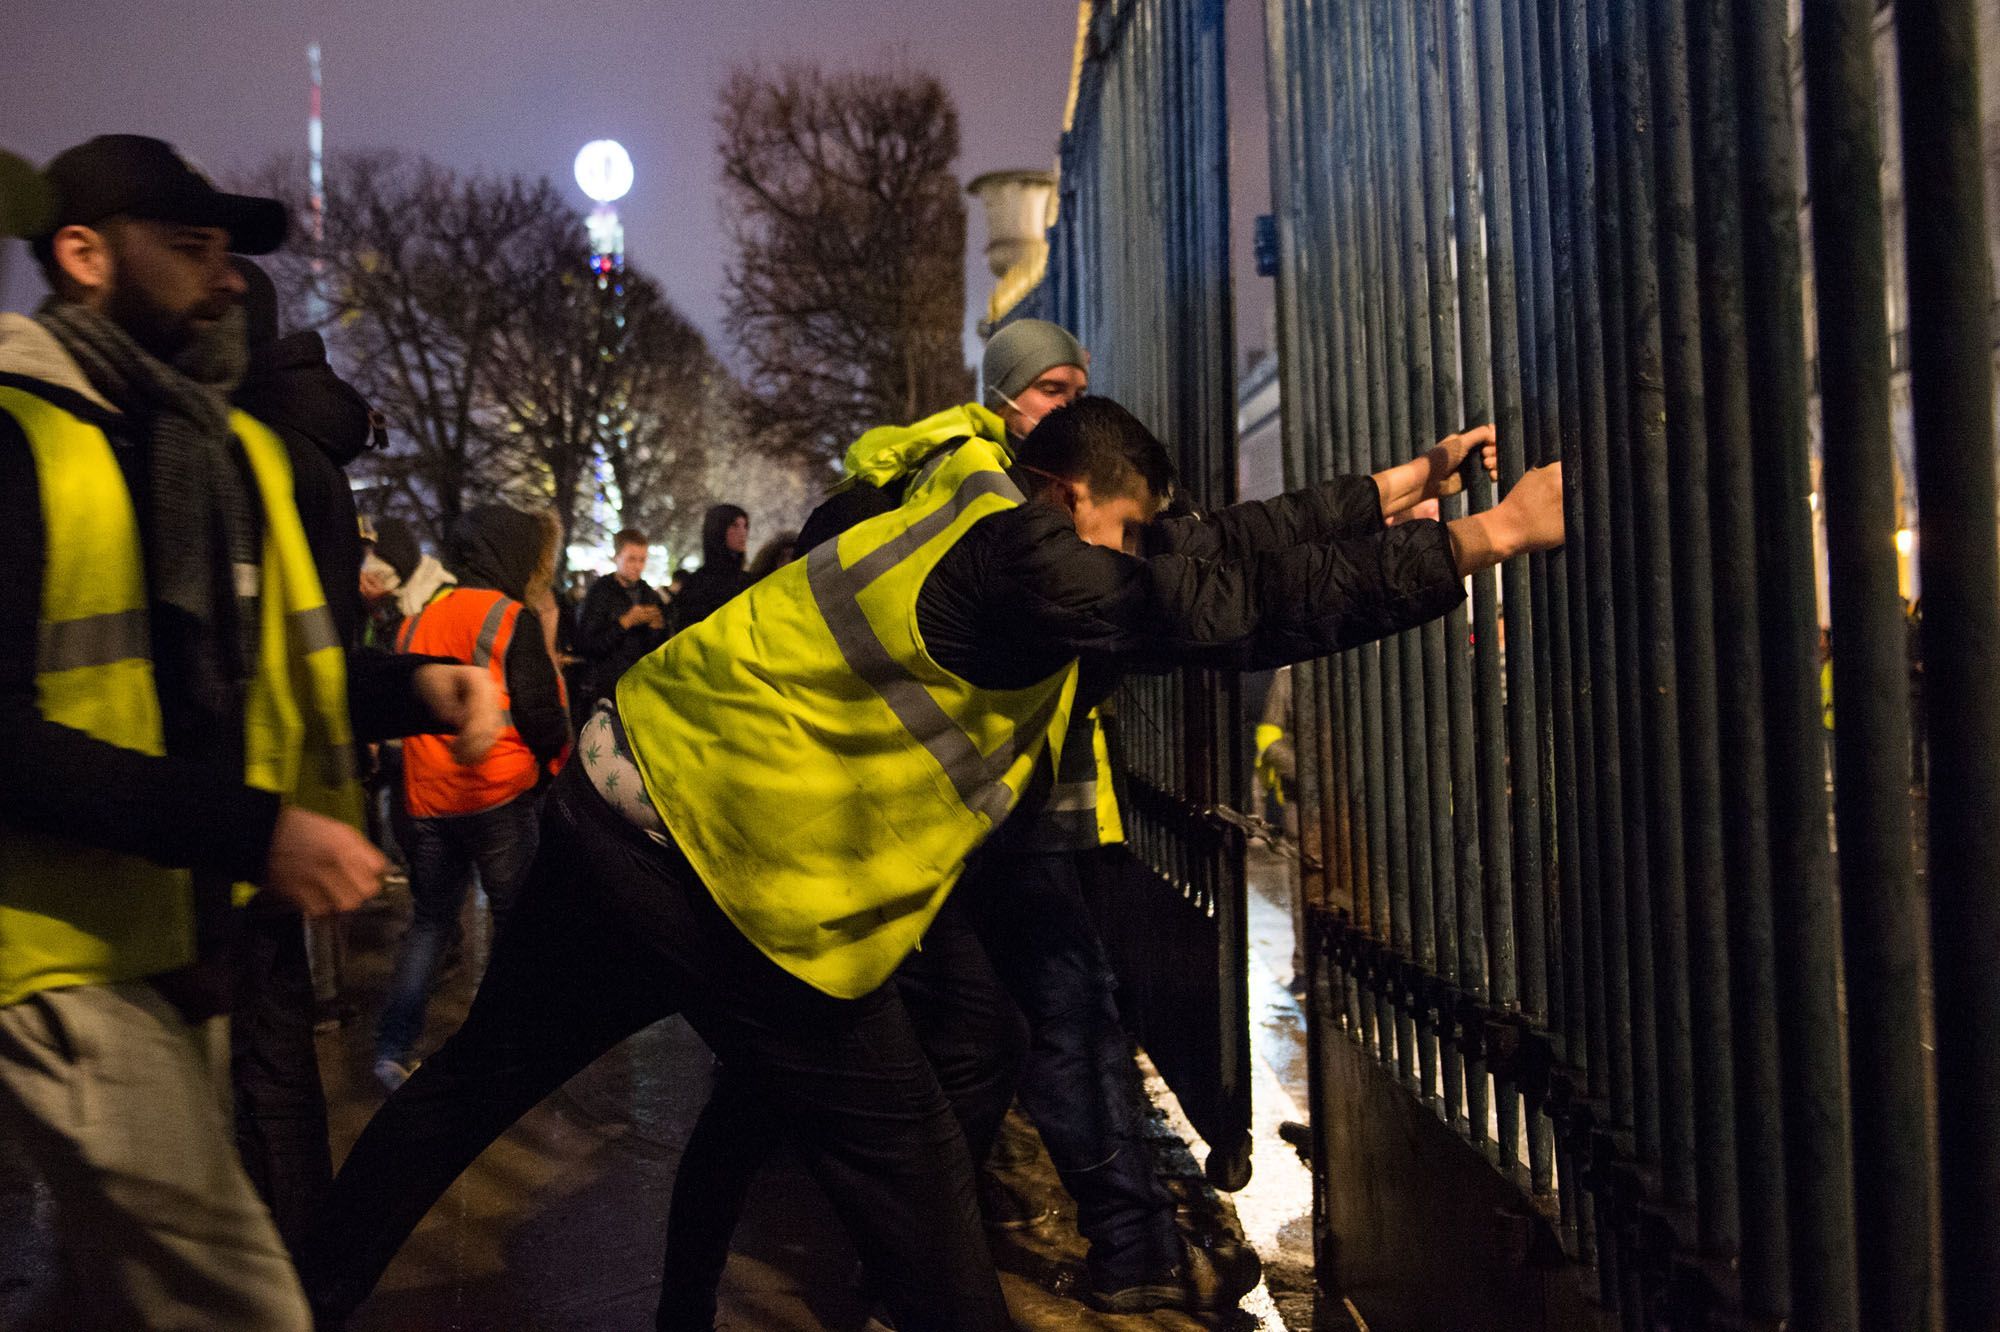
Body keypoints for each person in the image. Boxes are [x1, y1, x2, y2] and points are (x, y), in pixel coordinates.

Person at [299, 395, 1563, 1331]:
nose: (1128, 556)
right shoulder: (1028, 569)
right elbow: (1214, 609)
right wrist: (1484, 540)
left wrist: (1391, 490)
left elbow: (1201, 553)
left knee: (474, 1089)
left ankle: (306, 1296)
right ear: (1072, 499)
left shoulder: (970, 495)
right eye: (1120, 529)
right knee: (912, 1176)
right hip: (742, 890)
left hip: (621, 807)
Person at [0, 133, 459, 1330]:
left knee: (114, 1293)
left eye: (225, 254)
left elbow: (258, 682)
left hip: (162, 937)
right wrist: (256, 830)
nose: (223, 282)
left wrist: (414, 692)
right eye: (191, 249)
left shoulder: (190, 444)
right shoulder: (21, 438)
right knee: (236, 1300)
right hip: (48, 954)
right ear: (83, 255)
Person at [374, 503, 570, 1091]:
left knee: (431, 923)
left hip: (428, 801)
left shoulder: (417, 619)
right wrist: (556, 766)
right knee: (517, 922)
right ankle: (511, 1047)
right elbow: (539, 710)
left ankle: (391, 1046)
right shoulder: (512, 616)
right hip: (497, 795)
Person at [573, 526, 669, 714]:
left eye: (642, 560)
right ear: (617, 557)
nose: (637, 566)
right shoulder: (600, 593)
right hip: (606, 691)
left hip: (640, 688)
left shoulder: (648, 594)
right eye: (631, 559)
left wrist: (658, 628)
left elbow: (658, 649)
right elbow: (586, 643)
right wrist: (624, 623)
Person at [669, 503, 751, 629]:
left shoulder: (748, 581)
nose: (743, 533)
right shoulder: (697, 586)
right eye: (734, 525)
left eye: (745, 526)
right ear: (718, 529)